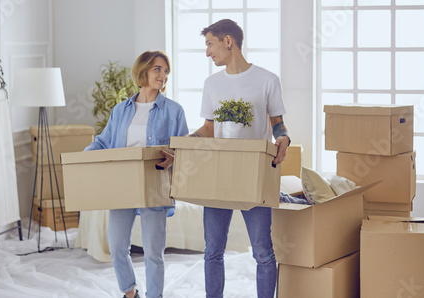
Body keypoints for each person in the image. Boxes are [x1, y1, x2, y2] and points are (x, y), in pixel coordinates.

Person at [189, 19, 291, 298]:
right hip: (218, 175)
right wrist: (184, 144)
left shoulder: (267, 80)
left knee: (263, 252)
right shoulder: (212, 84)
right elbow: (210, 128)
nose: (207, 52)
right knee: (212, 251)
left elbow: (278, 123)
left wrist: (283, 137)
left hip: (254, 176)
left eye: (210, 43)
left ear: (228, 41)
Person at [84, 51, 188, 298]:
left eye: (165, 71)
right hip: (122, 184)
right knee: (118, 246)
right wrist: (84, 157)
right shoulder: (121, 110)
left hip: (155, 184)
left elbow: (185, 148)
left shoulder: (174, 110)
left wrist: (176, 157)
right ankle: (129, 292)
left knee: (153, 252)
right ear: (143, 71)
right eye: (157, 69)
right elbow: (103, 141)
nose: (163, 75)